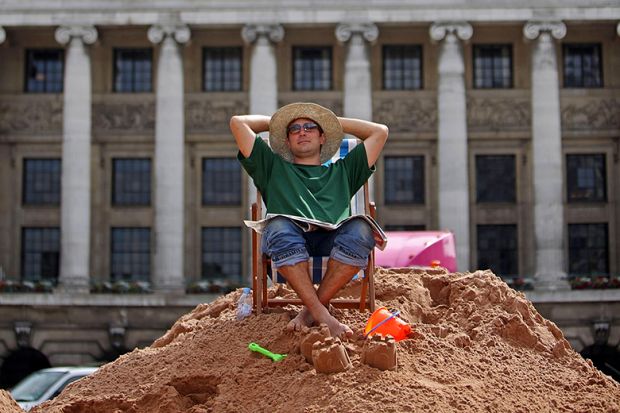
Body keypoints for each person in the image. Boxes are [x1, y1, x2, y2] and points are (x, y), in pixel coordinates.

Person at [230, 102, 388, 338]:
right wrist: (278, 121)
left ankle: (308, 313)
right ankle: (323, 315)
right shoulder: (272, 168)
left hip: (335, 244)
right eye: (294, 129)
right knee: (278, 226)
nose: (302, 132)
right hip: (288, 242)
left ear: (323, 137)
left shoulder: (344, 171)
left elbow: (380, 132)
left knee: (362, 228)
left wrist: (330, 121)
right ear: (287, 141)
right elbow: (238, 123)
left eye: (310, 127)